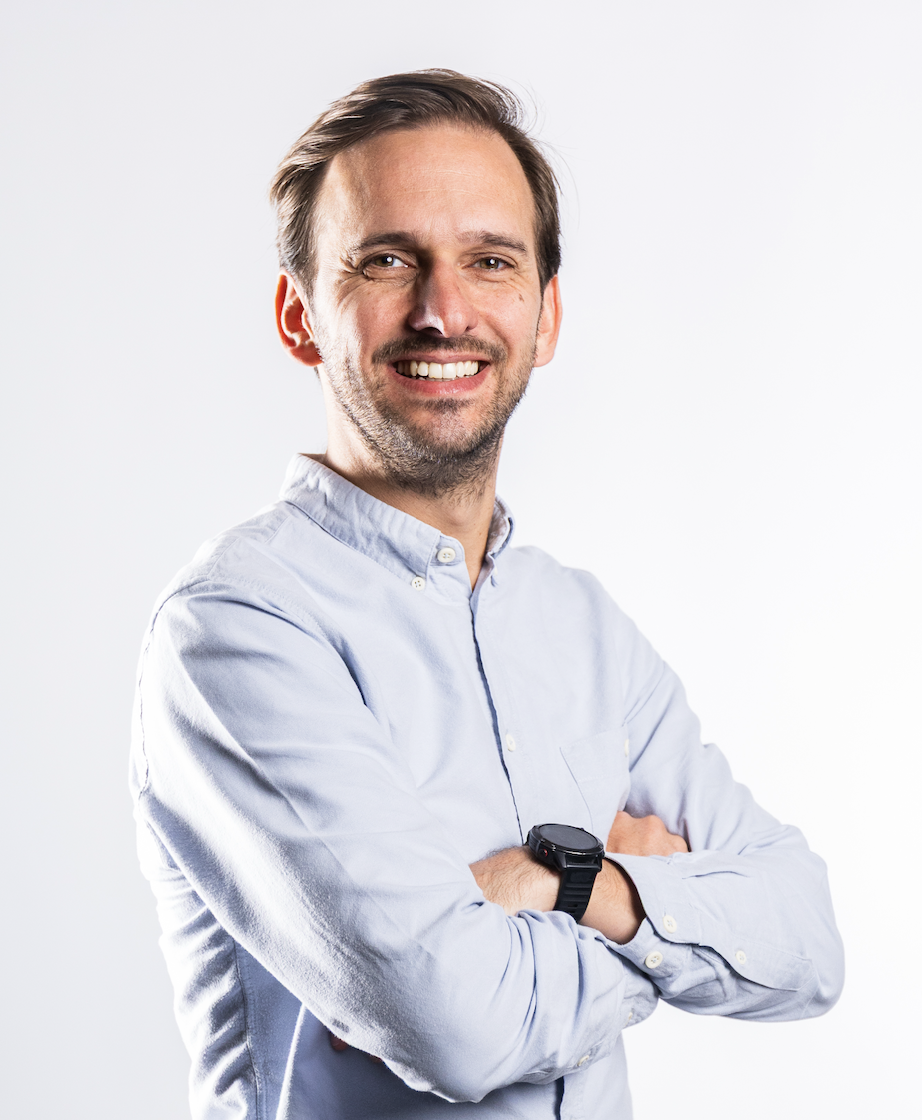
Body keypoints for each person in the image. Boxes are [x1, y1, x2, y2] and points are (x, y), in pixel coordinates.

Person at [130, 69, 844, 1120]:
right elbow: (458, 1025)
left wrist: (562, 883)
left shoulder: (584, 629)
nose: (443, 311)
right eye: (386, 260)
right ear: (298, 314)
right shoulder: (237, 629)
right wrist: (661, 922)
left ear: (545, 317)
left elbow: (806, 943)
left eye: (490, 261)